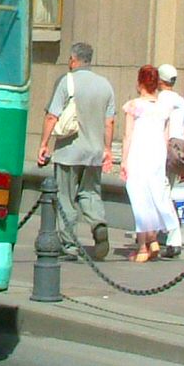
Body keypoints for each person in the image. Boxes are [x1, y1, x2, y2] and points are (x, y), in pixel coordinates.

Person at [37, 42, 115, 261]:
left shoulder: (67, 81)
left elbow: (52, 115)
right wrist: (107, 149)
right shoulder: (105, 85)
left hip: (69, 151)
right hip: (94, 152)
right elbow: (109, 122)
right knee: (91, 193)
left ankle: (70, 246)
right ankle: (98, 223)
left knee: (66, 198)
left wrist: (44, 143)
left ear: (73, 59)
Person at [120, 65, 181, 262]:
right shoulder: (164, 108)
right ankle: (153, 240)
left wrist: (123, 160)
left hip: (139, 155)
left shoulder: (134, 105)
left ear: (140, 84)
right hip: (157, 156)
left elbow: (128, 136)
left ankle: (142, 248)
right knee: (154, 197)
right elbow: (165, 136)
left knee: (140, 199)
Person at [155, 63, 184, 258]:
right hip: (178, 153)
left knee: (161, 194)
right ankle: (160, 234)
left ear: (160, 80)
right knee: (166, 192)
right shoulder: (181, 101)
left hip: (161, 151)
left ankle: (173, 236)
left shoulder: (158, 100)